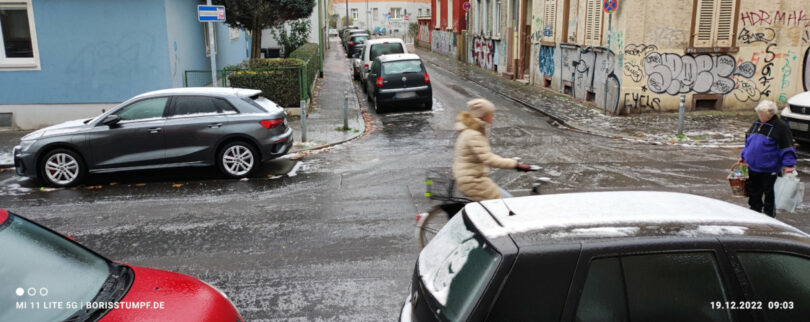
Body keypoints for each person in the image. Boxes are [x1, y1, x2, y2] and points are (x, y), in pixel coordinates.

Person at [453, 99, 531, 201]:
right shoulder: (474, 134)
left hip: (472, 178)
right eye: (491, 114)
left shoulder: (473, 130)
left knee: (505, 199)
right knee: (506, 203)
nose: (493, 118)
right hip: (472, 181)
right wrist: (515, 164)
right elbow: (489, 159)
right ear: (484, 116)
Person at [738, 100, 797, 217]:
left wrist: (789, 165)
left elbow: (787, 147)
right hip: (753, 167)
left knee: (769, 193)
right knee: (754, 192)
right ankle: (755, 211)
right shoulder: (757, 124)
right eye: (759, 113)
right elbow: (749, 143)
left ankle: (769, 215)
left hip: (769, 168)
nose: (760, 116)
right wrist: (743, 156)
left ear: (770, 114)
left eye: (762, 114)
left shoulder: (780, 127)